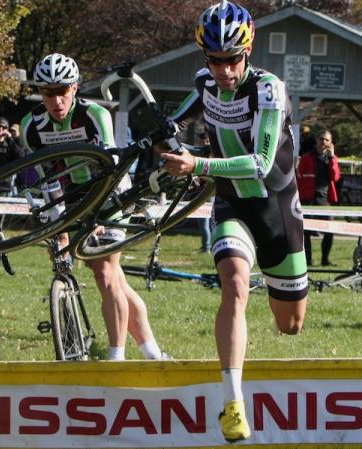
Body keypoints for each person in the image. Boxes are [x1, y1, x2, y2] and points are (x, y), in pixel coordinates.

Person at [159, 2, 308, 442]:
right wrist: (158, 139)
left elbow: (261, 163)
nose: (224, 70)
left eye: (232, 59)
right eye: (215, 59)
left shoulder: (268, 89)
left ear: (248, 52)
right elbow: (175, 121)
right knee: (234, 285)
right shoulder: (204, 83)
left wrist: (197, 165)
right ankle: (233, 404)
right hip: (231, 206)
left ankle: (276, 286)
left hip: (274, 208)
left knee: (290, 326)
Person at [21, 53, 168, 362]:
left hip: (109, 192)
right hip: (71, 199)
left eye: (63, 91)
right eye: (49, 93)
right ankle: (152, 351)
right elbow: (47, 179)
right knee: (116, 282)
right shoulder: (31, 126)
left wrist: (98, 213)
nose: (57, 100)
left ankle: (116, 357)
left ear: (75, 88)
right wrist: (56, 226)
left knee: (105, 272)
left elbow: (112, 170)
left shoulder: (94, 115)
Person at [297, 129, 341, 266]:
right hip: (307, 199)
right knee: (306, 232)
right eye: (321, 139)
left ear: (331, 143)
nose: (323, 142)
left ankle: (325, 260)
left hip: (324, 200)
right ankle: (307, 260)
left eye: (327, 140)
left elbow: (335, 177)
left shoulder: (332, 158)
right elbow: (298, 177)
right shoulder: (306, 157)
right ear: (316, 140)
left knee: (330, 229)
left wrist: (332, 158)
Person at [196, 132, 212, 254]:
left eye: (206, 141)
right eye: (202, 142)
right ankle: (206, 246)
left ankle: (207, 247)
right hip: (201, 192)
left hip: (210, 194)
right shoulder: (200, 156)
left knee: (206, 221)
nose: (204, 144)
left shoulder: (213, 156)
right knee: (202, 221)